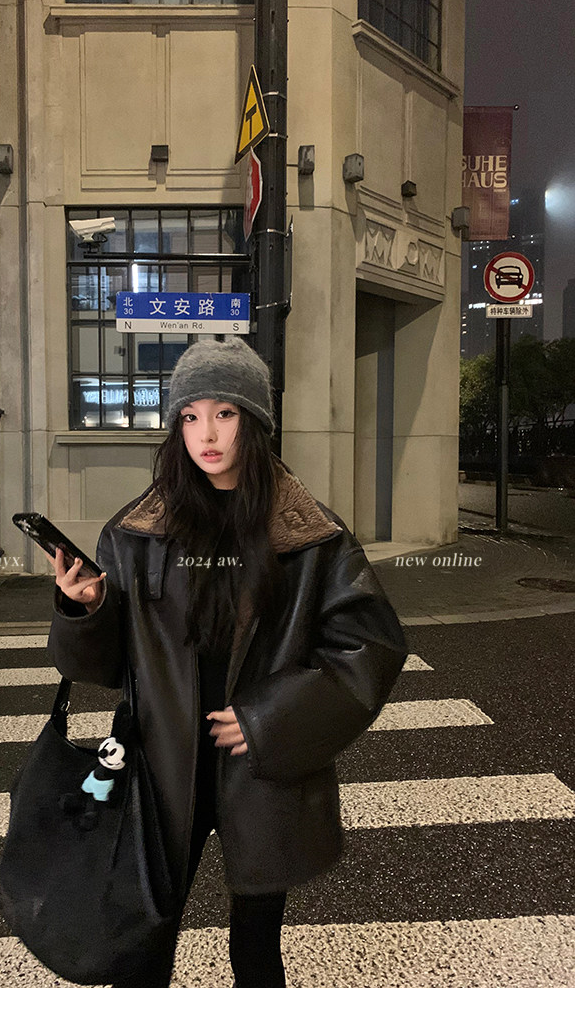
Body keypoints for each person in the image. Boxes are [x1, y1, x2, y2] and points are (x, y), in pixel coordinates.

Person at [46, 336, 408, 988]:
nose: (206, 434)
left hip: (261, 769)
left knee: (257, 952)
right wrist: (87, 609)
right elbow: (107, 666)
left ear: (255, 421)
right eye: (190, 416)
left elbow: (370, 646)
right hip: (161, 764)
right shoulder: (136, 533)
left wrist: (267, 719)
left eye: (224, 413)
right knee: (140, 946)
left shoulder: (310, 534)